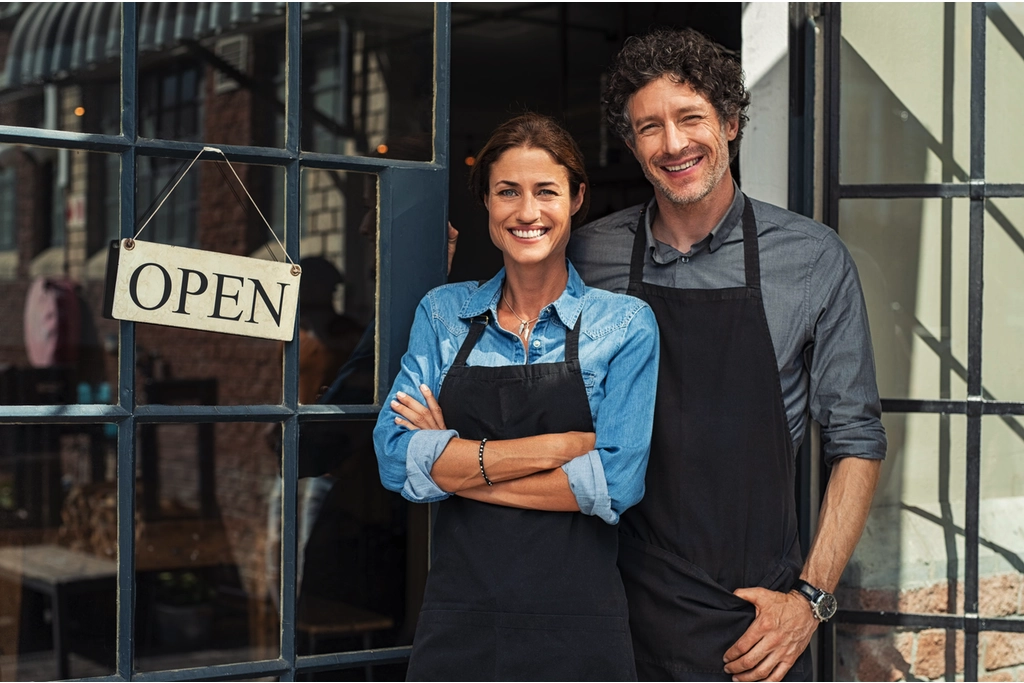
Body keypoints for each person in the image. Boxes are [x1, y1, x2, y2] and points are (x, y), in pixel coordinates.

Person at [568, 28, 887, 682]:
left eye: (690, 117)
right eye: (649, 126)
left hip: (753, 625)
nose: (673, 143)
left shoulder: (811, 258)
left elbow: (856, 439)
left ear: (732, 121)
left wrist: (811, 598)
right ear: (631, 143)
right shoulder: (587, 255)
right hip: (610, 605)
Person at [373, 113, 659, 681]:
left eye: (545, 191)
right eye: (507, 192)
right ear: (486, 203)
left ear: (576, 198)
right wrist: (560, 447)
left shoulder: (624, 325)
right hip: (460, 622)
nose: (526, 212)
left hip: (578, 629)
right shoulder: (444, 314)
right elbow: (392, 457)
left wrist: (455, 467)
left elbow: (617, 484)